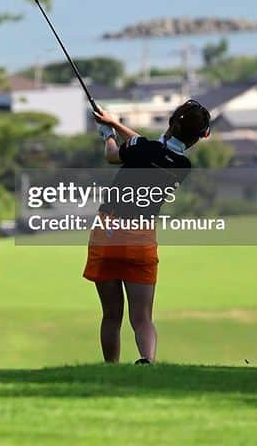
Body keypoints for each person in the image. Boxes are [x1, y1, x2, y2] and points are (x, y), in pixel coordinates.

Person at [85, 99, 211, 364]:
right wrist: (115, 123)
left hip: (108, 232)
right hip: (141, 240)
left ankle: (111, 369)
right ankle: (147, 361)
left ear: (171, 122)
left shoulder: (142, 148)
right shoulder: (182, 167)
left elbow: (114, 155)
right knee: (142, 318)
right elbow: (148, 148)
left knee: (111, 316)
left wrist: (108, 134)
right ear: (200, 136)